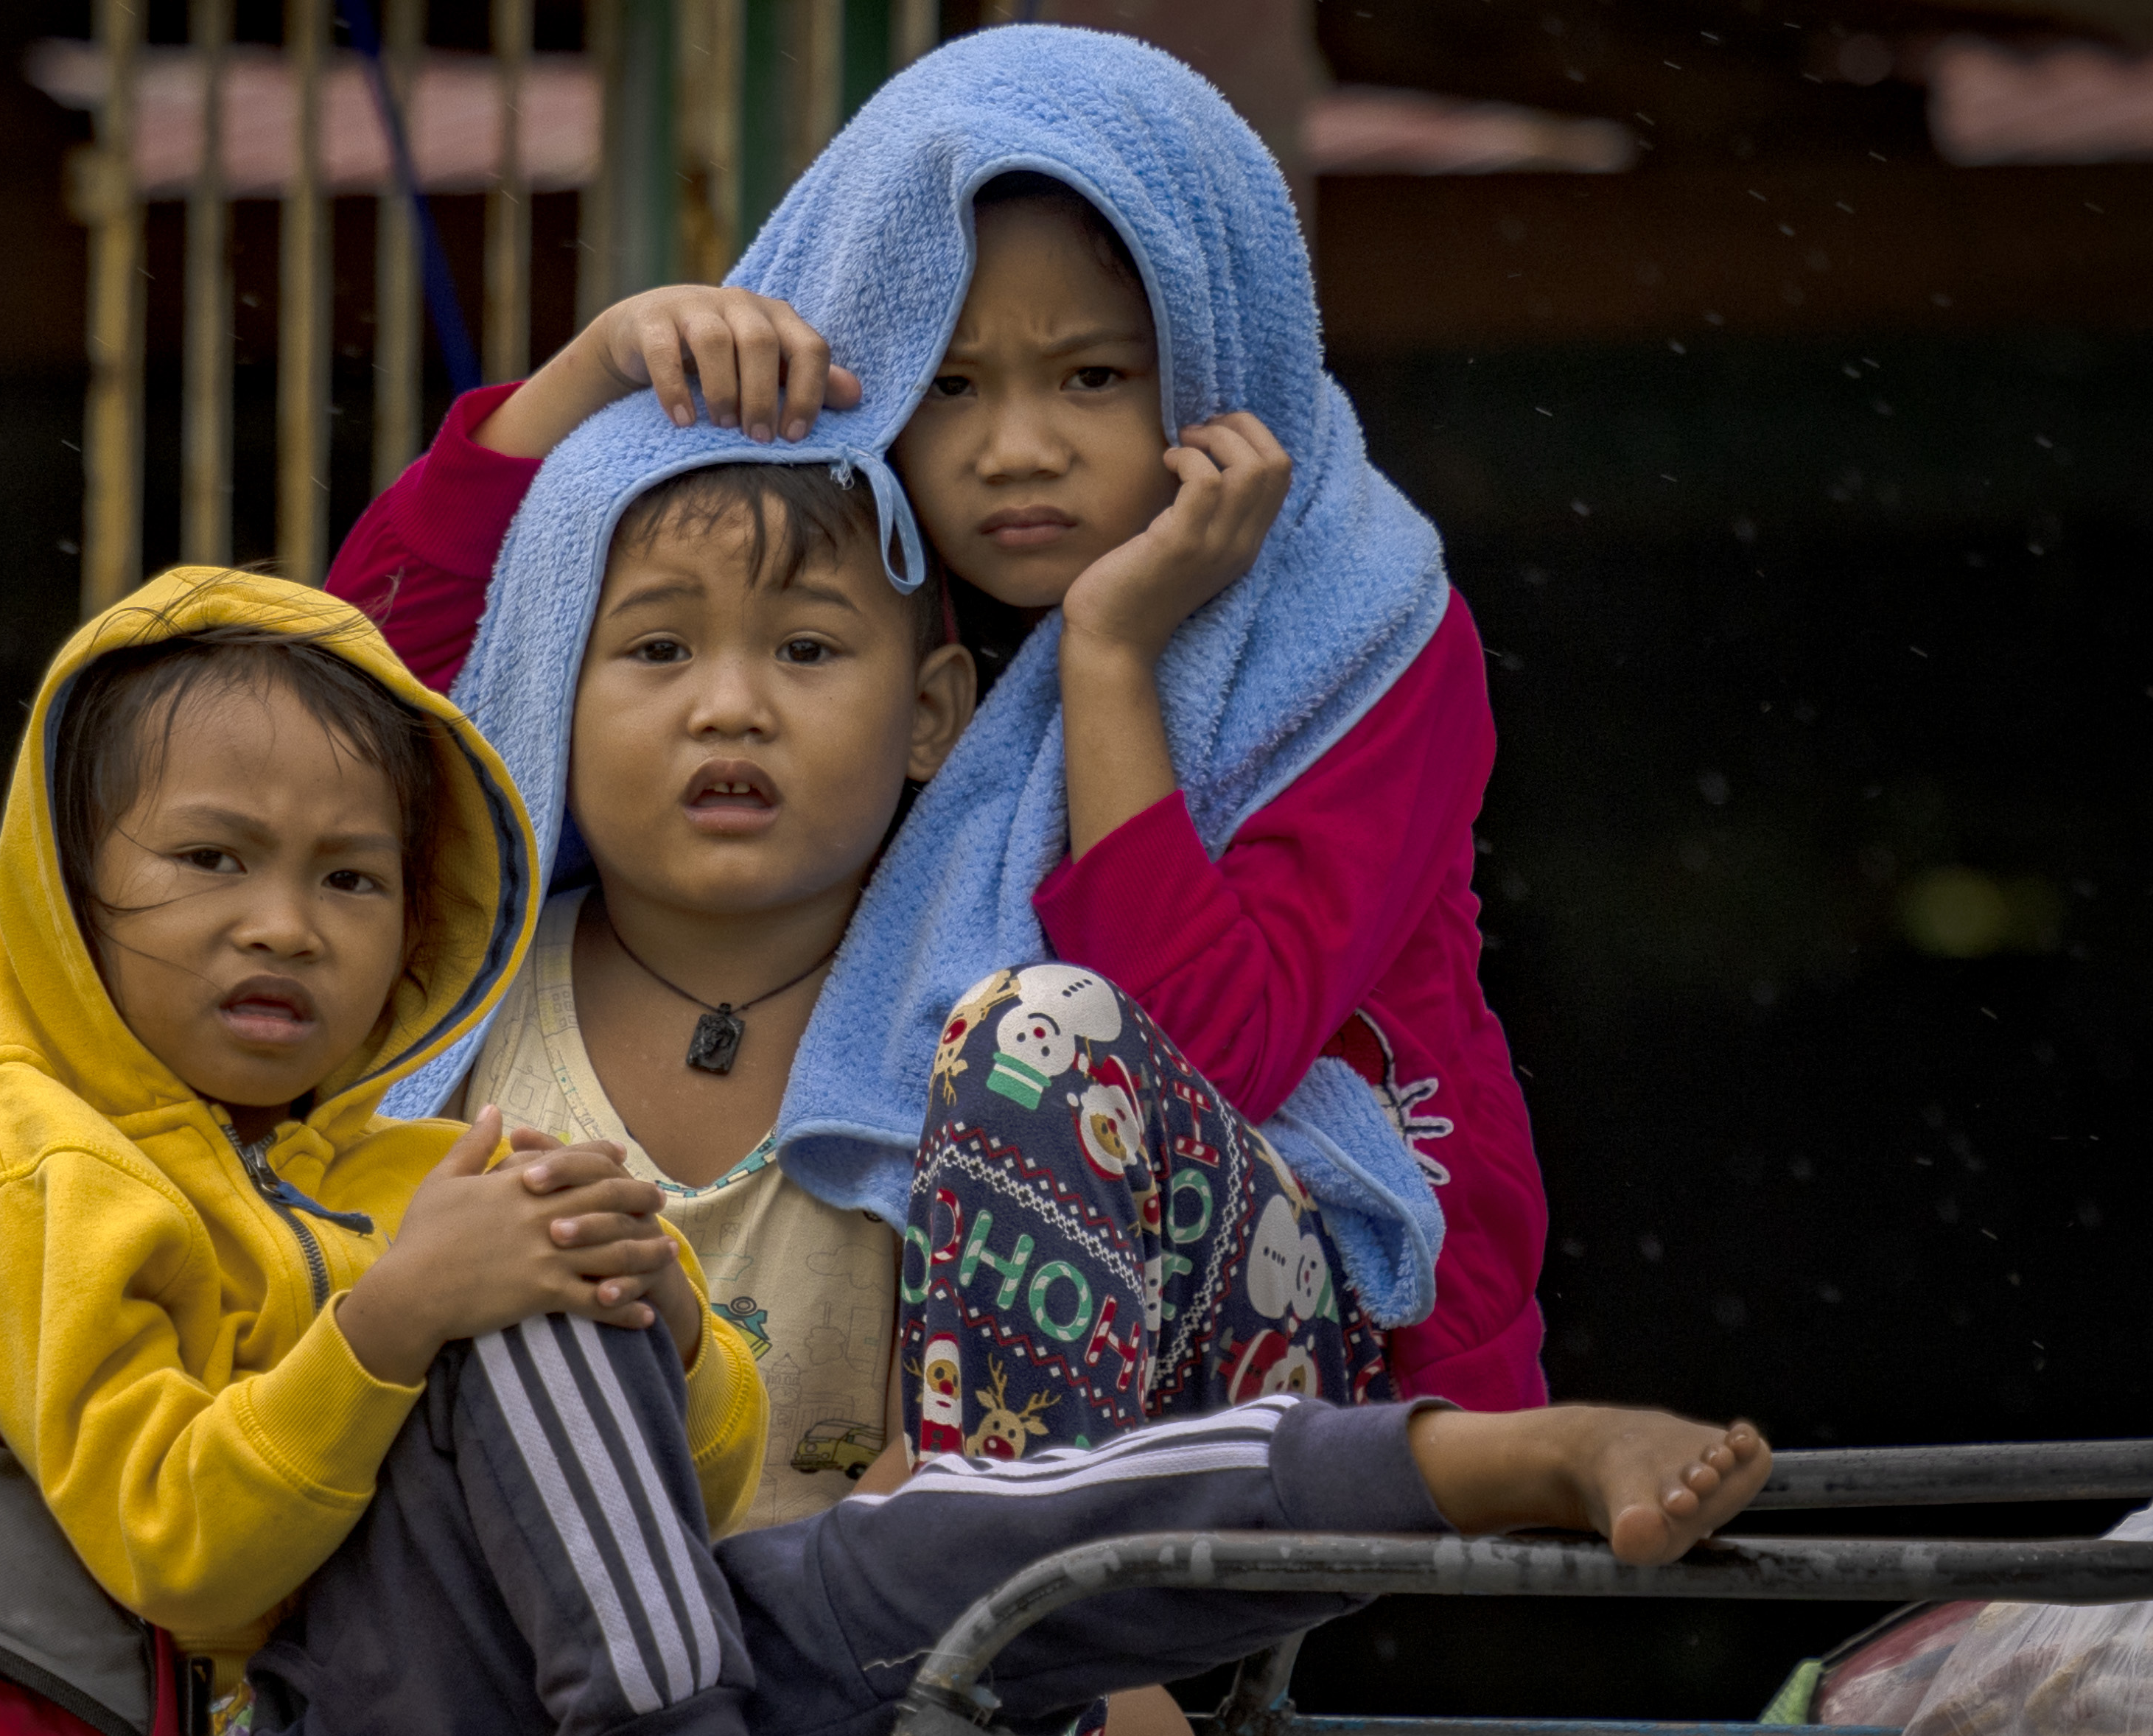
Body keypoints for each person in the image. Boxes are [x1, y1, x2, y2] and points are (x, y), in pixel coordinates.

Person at [0, 563, 1774, 1736]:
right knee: (516, 1311)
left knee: (955, 1551)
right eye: (211, 861)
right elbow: (173, 1543)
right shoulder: (45, 1174)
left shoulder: (410, 1150)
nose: (282, 923)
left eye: (345, 877)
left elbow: (696, 1474)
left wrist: (666, 1315)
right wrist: (400, 1313)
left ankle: (1460, 1465)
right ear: (71, 900)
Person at [334, 24, 1547, 1415]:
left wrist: (1109, 658)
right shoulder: (872, 555)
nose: (1015, 447)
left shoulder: (1360, 629)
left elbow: (1210, 1051)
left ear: (1214, 352)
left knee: (1041, 1042)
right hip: (875, 1381)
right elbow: (364, 719)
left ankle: (931, 1565)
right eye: (954, 385)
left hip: (1325, 1334)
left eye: (1091, 377)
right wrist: (588, 379)